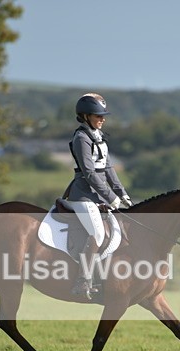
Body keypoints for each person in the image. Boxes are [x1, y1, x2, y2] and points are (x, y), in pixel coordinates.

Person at [64, 93, 132, 298]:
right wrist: (111, 197)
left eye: (103, 116)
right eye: (97, 116)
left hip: (100, 195)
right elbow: (90, 173)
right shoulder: (81, 138)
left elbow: (109, 169)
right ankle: (82, 281)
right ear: (85, 116)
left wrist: (123, 194)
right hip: (83, 195)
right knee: (98, 233)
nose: (102, 119)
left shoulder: (99, 137)